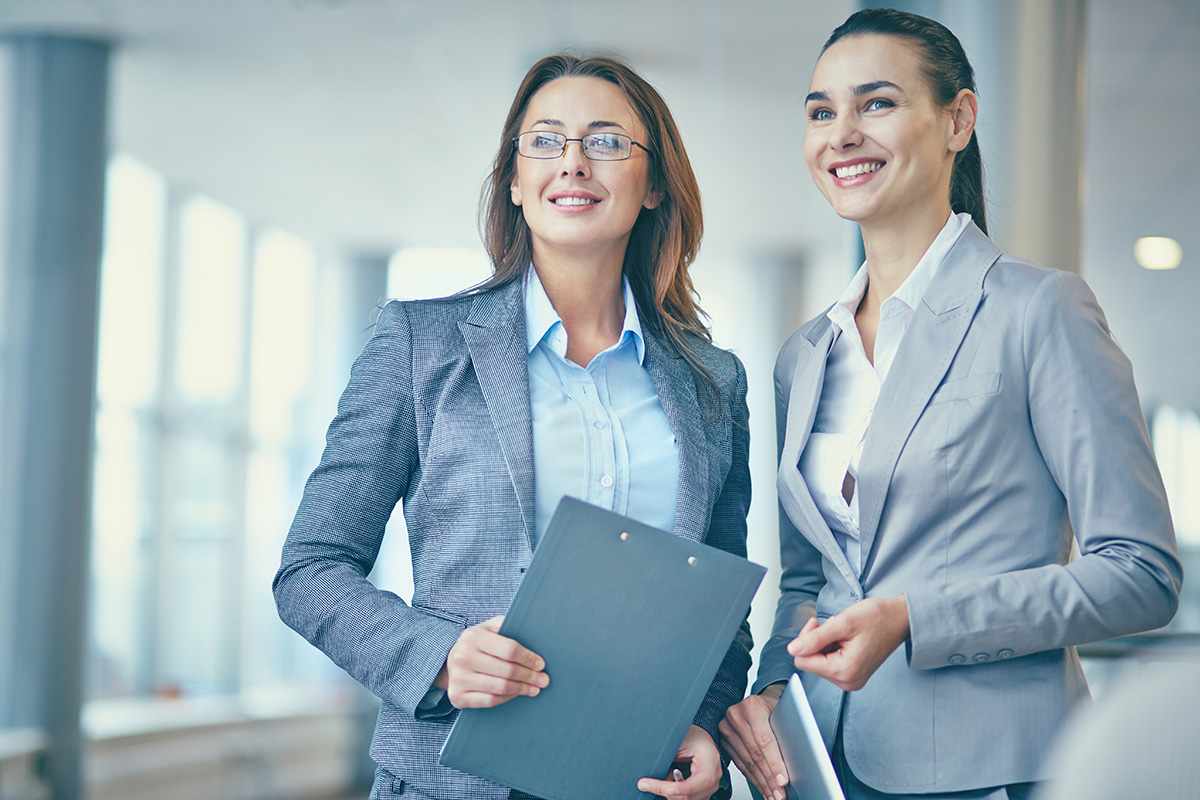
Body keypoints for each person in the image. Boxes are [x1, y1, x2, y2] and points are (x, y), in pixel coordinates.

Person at [718, 8, 1182, 800]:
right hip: (822, 766)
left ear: (957, 120)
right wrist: (772, 694)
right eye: (822, 112)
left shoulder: (1040, 311)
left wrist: (914, 618)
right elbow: (806, 582)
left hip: (990, 770)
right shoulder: (805, 355)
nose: (842, 133)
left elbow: (1140, 573)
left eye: (878, 103)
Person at [274, 53, 752, 800]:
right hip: (451, 777)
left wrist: (705, 720)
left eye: (605, 142)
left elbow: (719, 604)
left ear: (654, 182)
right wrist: (437, 656)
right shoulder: (417, 345)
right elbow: (310, 570)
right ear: (516, 182)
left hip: (644, 781)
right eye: (545, 142)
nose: (572, 163)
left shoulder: (712, 381)